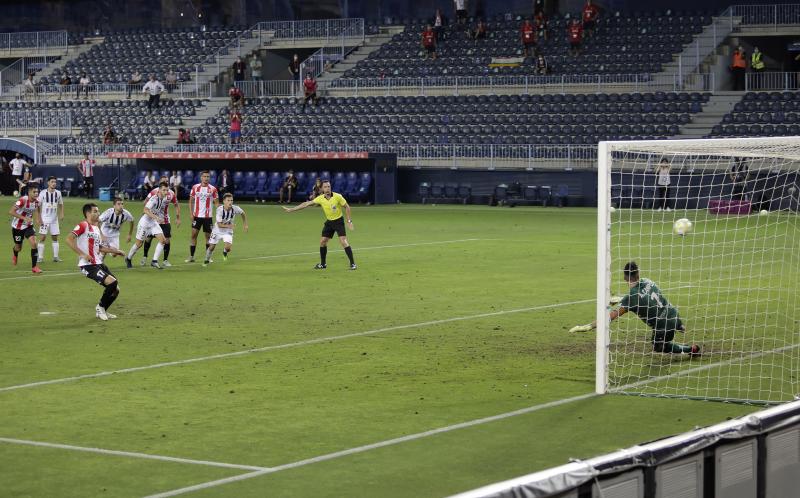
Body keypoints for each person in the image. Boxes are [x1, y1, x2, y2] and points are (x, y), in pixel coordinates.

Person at [570, 262, 701, 357]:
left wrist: (589, 326)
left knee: (659, 347)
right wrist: (622, 299)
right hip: (674, 314)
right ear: (638, 274)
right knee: (664, 309)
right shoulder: (647, 281)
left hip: (663, 327)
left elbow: (612, 316)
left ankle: (690, 349)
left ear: (625, 277)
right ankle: (680, 326)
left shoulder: (631, 298)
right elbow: (645, 297)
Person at [66, 203, 126, 320]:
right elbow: (69, 239)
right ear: (88, 213)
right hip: (87, 265)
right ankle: (100, 307)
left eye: (98, 211)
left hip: (98, 263)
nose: (98, 213)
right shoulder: (83, 225)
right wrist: (82, 254)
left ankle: (103, 310)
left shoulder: (97, 228)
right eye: (95, 211)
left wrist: (116, 251)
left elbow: (99, 248)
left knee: (115, 289)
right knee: (112, 283)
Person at [283, 179, 356, 270]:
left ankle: (353, 264)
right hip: (329, 222)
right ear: (321, 189)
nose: (327, 188)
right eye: (325, 187)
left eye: (329, 186)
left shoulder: (338, 196)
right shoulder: (320, 198)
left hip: (338, 221)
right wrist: (292, 209)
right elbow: (306, 204)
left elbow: (347, 207)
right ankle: (323, 264)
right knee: (322, 242)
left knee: (343, 242)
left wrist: (349, 221)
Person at [125, 182, 171, 270]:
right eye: (164, 190)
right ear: (159, 190)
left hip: (153, 222)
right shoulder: (154, 199)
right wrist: (156, 217)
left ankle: (154, 261)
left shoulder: (163, 198)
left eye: (167, 190)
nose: (166, 192)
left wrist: (156, 218)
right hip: (145, 223)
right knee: (139, 244)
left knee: (163, 240)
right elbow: (145, 210)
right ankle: (128, 258)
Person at [141, 176, 180, 267]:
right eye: (164, 181)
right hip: (153, 220)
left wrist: (178, 218)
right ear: (160, 183)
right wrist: (145, 216)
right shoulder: (154, 192)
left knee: (167, 240)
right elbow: (145, 203)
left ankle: (165, 260)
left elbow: (176, 205)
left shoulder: (171, 193)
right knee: (148, 238)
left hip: (165, 220)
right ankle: (145, 257)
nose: (166, 182)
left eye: (167, 181)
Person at [203, 193, 248, 267]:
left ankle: (224, 252)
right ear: (224, 201)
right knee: (211, 247)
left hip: (228, 231)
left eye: (231, 200)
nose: (230, 202)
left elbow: (243, 213)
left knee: (228, 248)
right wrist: (229, 226)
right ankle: (206, 260)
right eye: (228, 200)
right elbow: (219, 224)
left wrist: (245, 224)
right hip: (217, 230)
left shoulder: (235, 208)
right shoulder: (219, 210)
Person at [186, 170, 219, 263]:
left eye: (208, 177)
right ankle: (191, 256)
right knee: (193, 235)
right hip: (196, 216)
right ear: (201, 177)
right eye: (204, 176)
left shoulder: (213, 189)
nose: (206, 178)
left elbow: (216, 203)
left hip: (208, 217)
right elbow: (191, 201)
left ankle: (208, 257)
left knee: (208, 237)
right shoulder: (195, 187)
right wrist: (191, 213)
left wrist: (219, 214)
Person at [9, 182, 42, 273]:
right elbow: (11, 211)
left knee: (34, 243)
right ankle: (15, 254)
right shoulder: (22, 200)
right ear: (29, 192)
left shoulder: (37, 201)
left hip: (28, 226)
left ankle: (34, 267)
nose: (36, 194)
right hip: (17, 227)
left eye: (37, 192)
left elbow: (38, 209)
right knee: (18, 248)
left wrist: (39, 219)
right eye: (34, 192)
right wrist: (24, 218)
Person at [36, 176, 65, 263]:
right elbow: (38, 205)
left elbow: (61, 204)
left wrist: (61, 213)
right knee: (42, 237)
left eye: (55, 182)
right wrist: (38, 218)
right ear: (48, 183)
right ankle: (40, 257)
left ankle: (55, 257)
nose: (54, 183)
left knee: (55, 237)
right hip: (44, 219)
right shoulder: (43, 193)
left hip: (54, 220)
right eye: (52, 182)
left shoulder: (58, 193)